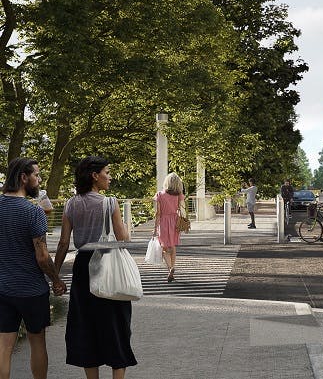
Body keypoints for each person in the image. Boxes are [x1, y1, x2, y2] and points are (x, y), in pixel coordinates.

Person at [54, 155, 137, 376]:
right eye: (107, 173)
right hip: (108, 263)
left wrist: (55, 276)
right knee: (116, 326)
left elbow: (63, 243)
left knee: (85, 326)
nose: (109, 177)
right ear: (94, 176)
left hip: (83, 267)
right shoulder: (110, 203)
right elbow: (123, 239)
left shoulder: (71, 203)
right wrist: (128, 226)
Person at [1, 158, 67, 379]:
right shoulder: (33, 212)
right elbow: (42, 257)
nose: (39, 180)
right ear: (23, 177)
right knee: (37, 342)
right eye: (36, 175)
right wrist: (56, 280)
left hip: (2, 288)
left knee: (4, 347)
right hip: (31, 290)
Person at [154, 172, 186, 283]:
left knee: (164, 248)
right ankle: (172, 268)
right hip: (175, 221)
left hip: (163, 221)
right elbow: (183, 210)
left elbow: (158, 213)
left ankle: (170, 269)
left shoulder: (160, 195)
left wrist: (154, 229)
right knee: (172, 246)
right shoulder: (179, 195)